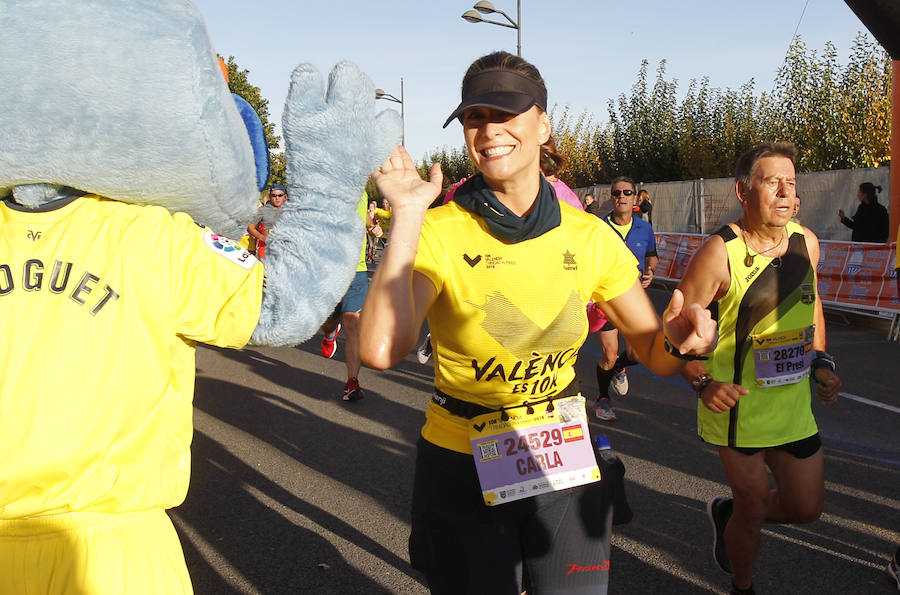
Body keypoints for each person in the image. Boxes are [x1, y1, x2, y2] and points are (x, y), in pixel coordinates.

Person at [360, 50, 715, 595]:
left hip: (559, 453)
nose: (489, 131)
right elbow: (382, 350)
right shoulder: (439, 229)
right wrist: (407, 217)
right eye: (475, 117)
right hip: (462, 457)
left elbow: (654, 350)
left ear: (543, 125)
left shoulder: (590, 237)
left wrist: (684, 341)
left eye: (506, 113)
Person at [677, 142, 841, 595]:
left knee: (808, 508)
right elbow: (676, 333)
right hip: (737, 407)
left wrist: (822, 361)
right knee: (753, 510)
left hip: (792, 406)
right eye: (773, 183)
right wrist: (703, 382)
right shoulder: (719, 252)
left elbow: (813, 305)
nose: (786, 194)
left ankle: (727, 514)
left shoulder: (806, 242)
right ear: (744, 191)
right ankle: (743, 587)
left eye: (792, 184)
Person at [593, 176, 659, 421]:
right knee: (609, 355)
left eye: (627, 193)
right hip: (606, 300)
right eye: (616, 193)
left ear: (635, 198)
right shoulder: (598, 227)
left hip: (635, 299)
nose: (621, 197)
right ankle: (602, 399)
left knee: (638, 354)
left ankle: (620, 368)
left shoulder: (645, 228)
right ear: (611, 197)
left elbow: (652, 256)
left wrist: (651, 271)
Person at [320, 193, 374, 402]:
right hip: (331, 271)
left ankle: (352, 382)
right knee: (328, 322)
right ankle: (331, 332)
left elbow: (363, 217)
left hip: (357, 271)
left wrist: (372, 224)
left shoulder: (363, 193)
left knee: (354, 323)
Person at [247, 183, 288, 257]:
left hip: (284, 250)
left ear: (285, 197)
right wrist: (262, 237)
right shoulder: (262, 210)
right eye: (274, 195)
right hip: (265, 250)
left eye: (280, 195)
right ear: (270, 196)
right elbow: (250, 227)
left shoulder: (290, 210)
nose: (277, 198)